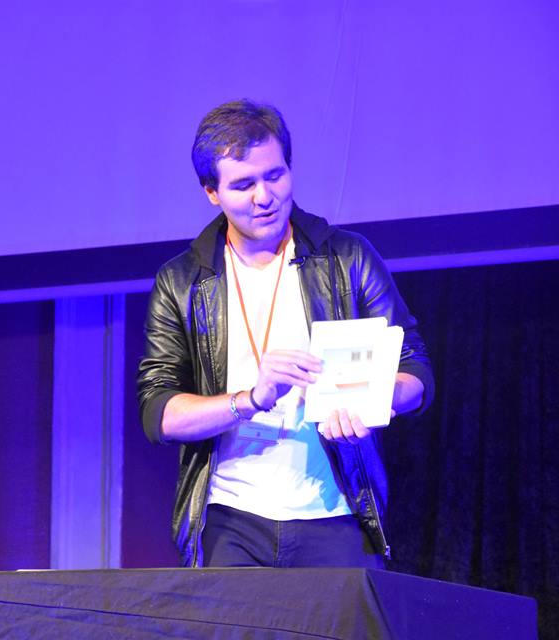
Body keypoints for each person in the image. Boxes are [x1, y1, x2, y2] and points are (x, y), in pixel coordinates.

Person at [137, 100, 434, 569]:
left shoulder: (346, 257)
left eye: (275, 176)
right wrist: (251, 399)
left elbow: (416, 371)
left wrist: (375, 399)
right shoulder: (182, 281)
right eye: (243, 185)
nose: (265, 197)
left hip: (335, 513)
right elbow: (159, 413)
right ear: (212, 192)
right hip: (230, 519)